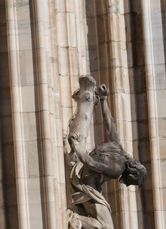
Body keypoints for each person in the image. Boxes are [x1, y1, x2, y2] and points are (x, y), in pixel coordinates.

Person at [67, 76, 146, 229]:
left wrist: (103, 99)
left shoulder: (118, 147)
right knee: (106, 227)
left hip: (88, 179)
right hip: (86, 186)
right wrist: (77, 147)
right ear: (131, 174)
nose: (128, 185)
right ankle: (74, 219)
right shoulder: (117, 170)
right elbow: (92, 164)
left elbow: (109, 123)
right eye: (132, 183)